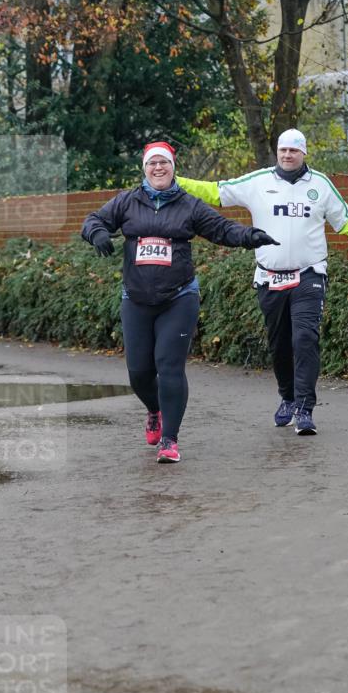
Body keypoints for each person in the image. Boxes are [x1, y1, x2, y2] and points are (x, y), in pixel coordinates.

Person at [177, 129, 348, 435]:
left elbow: (346, 219)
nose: (288, 155)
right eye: (283, 150)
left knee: (305, 338)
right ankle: (287, 398)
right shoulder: (258, 182)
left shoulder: (320, 185)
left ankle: (304, 408)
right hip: (270, 278)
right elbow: (215, 192)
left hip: (309, 274)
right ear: (277, 152)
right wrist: (174, 179)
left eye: (294, 150)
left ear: (304, 154)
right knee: (280, 344)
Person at [81, 141, 279, 463]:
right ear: (144, 169)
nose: (158, 168)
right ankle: (155, 410)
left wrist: (249, 236)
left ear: (174, 167)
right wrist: (98, 234)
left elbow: (222, 229)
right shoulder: (128, 202)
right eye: (152, 164)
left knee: (169, 366)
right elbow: (93, 219)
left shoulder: (189, 205)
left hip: (179, 297)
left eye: (164, 163)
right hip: (136, 299)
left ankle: (169, 440)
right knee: (138, 372)